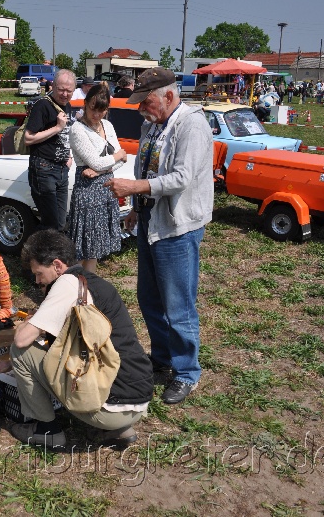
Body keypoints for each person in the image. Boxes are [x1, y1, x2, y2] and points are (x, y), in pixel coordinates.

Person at [0, 229, 153, 447]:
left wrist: (30, 320)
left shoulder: (67, 284)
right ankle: (119, 429)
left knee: (21, 352)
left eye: (39, 273)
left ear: (57, 265)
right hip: (136, 398)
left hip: (110, 406)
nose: (37, 281)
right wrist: (6, 364)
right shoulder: (93, 283)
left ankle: (47, 431)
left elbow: (22, 340)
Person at [102, 67, 213, 405]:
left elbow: (180, 177)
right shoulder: (152, 124)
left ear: (168, 96)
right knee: (150, 298)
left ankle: (186, 372)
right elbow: (146, 167)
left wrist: (137, 187)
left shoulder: (192, 125)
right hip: (150, 220)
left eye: (146, 101)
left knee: (178, 303)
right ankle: (163, 359)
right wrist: (137, 205)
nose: (141, 108)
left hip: (178, 225)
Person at [67, 82, 128, 273]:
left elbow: (122, 160)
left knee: (95, 250)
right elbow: (107, 159)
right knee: (85, 250)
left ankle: (84, 291)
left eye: (102, 110)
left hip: (105, 188)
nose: (96, 114)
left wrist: (101, 170)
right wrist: (114, 158)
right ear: (85, 104)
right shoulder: (77, 129)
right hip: (87, 191)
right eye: (93, 109)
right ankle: (76, 290)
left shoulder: (107, 125)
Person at [24, 69, 76, 232]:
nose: (65, 94)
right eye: (61, 89)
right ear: (53, 86)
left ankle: (51, 255)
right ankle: (34, 253)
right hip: (44, 169)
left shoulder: (67, 107)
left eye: (69, 91)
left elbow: (66, 136)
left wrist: (69, 156)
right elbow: (28, 138)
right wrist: (57, 127)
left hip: (61, 169)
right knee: (50, 223)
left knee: (60, 223)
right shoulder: (43, 105)